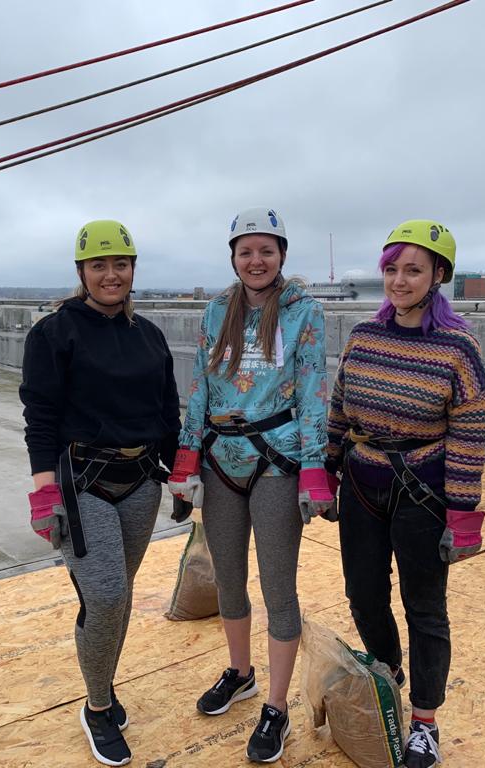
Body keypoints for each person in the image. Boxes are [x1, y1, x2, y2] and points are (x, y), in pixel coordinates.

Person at [167, 207, 333, 763]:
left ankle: (278, 707)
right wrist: (185, 464)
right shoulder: (217, 312)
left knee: (278, 586)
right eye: (245, 251)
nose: (255, 260)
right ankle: (240, 673)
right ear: (234, 258)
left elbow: (313, 390)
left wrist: (315, 469)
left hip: (275, 462)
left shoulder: (303, 312)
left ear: (281, 254)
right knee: (229, 580)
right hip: (220, 458)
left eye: (266, 250)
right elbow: (201, 389)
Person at [326, 220, 485, 768]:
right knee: (362, 594)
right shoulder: (363, 337)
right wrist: (325, 472)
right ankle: (388, 673)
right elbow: (340, 409)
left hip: (423, 487)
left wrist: (464, 514)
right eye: (392, 269)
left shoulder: (458, 348)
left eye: (413, 269)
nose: (399, 280)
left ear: (438, 275)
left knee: (424, 607)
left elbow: (469, 432)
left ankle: (424, 722)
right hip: (363, 480)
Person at [20, 219, 181, 766]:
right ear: (81, 273)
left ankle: (105, 685)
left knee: (119, 595)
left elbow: (166, 412)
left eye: (120, 264)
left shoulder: (149, 335)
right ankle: (96, 704)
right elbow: (40, 417)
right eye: (99, 265)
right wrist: (44, 493)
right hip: (81, 481)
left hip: (140, 481)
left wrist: (181, 473)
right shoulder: (53, 333)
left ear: (133, 270)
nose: (111, 275)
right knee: (106, 596)